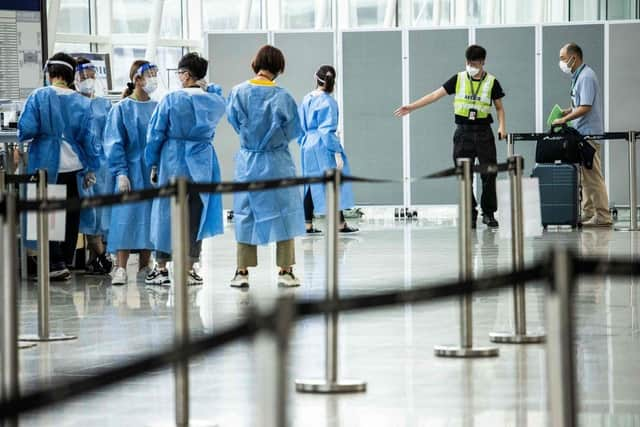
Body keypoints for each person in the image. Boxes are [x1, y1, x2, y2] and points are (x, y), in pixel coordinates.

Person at [394, 45, 506, 229]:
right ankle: (470, 213)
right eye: (469, 63)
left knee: (489, 174)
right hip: (463, 133)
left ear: (483, 62)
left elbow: (500, 108)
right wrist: (411, 107)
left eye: (475, 63)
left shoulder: (492, 82)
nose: (471, 66)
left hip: (484, 132)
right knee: (464, 176)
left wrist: (502, 126)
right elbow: (434, 95)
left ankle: (488, 213)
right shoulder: (459, 79)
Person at [226, 45, 305, 288]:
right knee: (285, 213)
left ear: (256, 63)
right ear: (279, 67)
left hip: (248, 161)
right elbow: (293, 130)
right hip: (277, 162)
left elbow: (235, 123)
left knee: (246, 213)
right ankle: (286, 270)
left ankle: (241, 271)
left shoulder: (238, 92)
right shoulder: (283, 97)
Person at [145, 52, 226, 286]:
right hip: (202, 163)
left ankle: (161, 268)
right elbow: (220, 97)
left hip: (173, 160)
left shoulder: (171, 100)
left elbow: (156, 134)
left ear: (186, 75)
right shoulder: (214, 101)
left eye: (180, 73)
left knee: (165, 214)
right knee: (195, 217)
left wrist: (152, 161)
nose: (178, 77)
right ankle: (189, 268)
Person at [18, 52, 99, 281]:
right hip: (74, 164)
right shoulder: (82, 101)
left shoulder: (39, 96)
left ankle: (54, 263)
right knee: (71, 214)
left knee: (49, 214)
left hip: (46, 163)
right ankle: (65, 259)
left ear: (50, 73)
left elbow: (26, 129)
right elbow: (89, 138)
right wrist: (91, 166)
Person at [104, 60, 159, 285]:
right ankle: (120, 267)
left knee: (148, 218)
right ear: (137, 79)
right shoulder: (122, 109)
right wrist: (121, 172)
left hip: (151, 172)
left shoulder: (157, 107)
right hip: (129, 170)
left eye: (155, 74)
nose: (154, 79)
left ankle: (145, 266)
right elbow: (114, 142)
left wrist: (157, 165)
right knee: (124, 218)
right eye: (151, 75)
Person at [552, 43, 612, 227]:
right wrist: (567, 111)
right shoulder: (578, 76)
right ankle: (589, 212)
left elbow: (586, 107)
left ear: (573, 58)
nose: (561, 62)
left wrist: (565, 120)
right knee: (586, 176)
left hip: (589, 135)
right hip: (582, 134)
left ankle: (603, 215)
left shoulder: (586, 77)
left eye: (563, 58)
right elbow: (580, 103)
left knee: (593, 176)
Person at [298, 65, 359, 235]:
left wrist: (304, 142)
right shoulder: (329, 102)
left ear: (315, 78)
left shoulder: (306, 99)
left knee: (310, 184)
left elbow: (299, 126)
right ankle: (340, 224)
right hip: (323, 145)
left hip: (307, 144)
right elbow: (327, 131)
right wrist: (336, 152)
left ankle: (307, 224)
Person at [74, 57, 113, 275]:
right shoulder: (72, 103)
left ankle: (95, 258)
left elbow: (110, 134)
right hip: (82, 165)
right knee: (90, 213)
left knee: (104, 211)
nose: (88, 80)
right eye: (83, 77)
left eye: (91, 76)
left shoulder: (103, 104)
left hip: (103, 165)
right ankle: (100, 255)